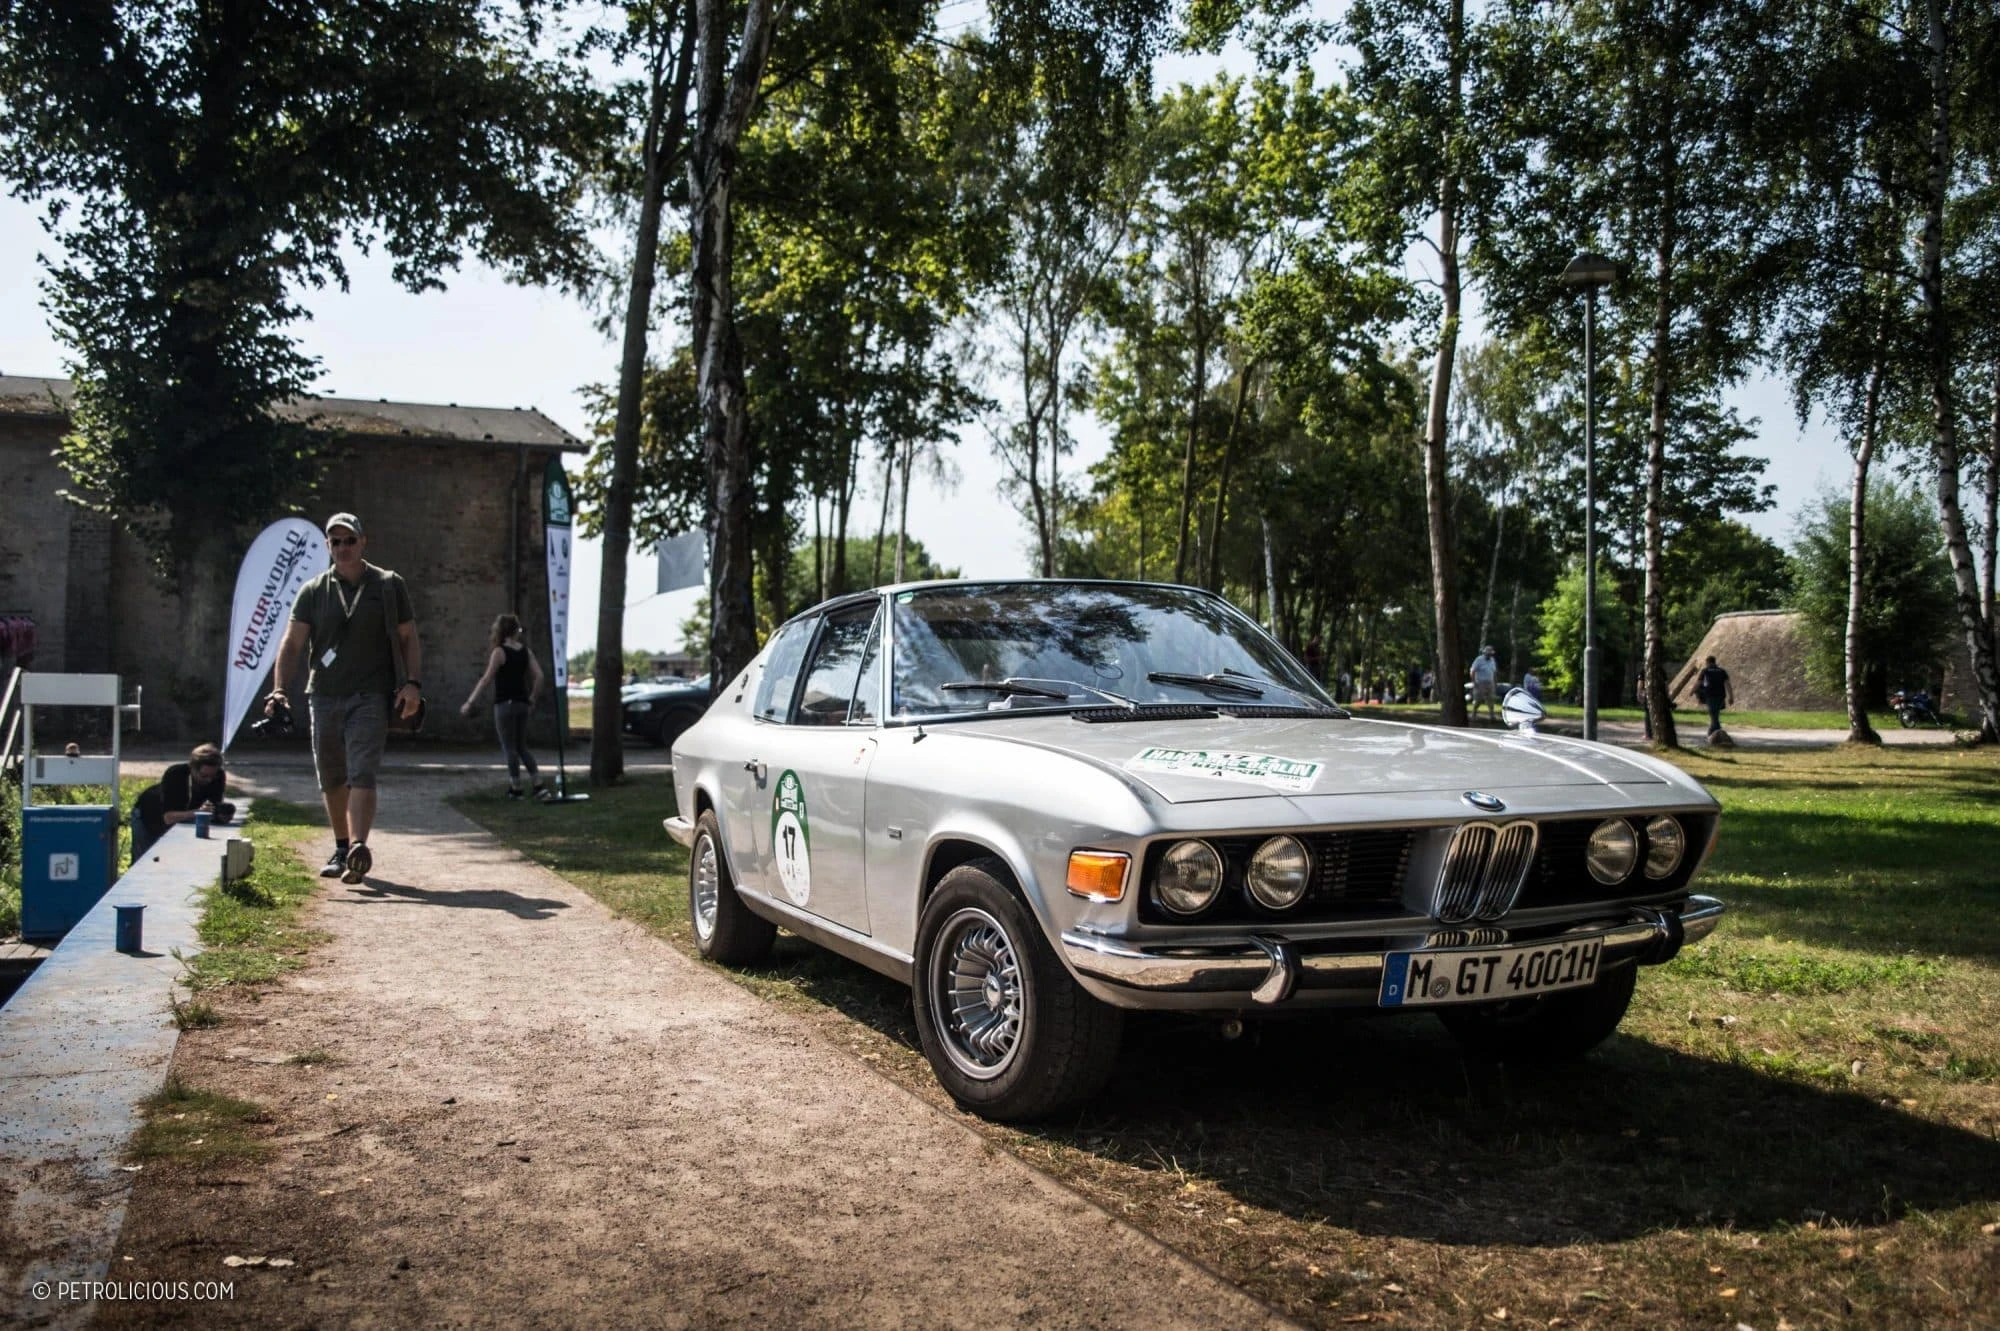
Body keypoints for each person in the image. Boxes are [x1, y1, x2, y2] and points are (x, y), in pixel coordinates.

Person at [266, 512, 422, 884]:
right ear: (327, 547)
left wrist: (413, 683)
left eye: (349, 540)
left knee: (362, 771)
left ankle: (358, 847)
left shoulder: (388, 584)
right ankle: (341, 847)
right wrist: (279, 689)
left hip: (370, 695)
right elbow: (292, 643)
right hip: (323, 696)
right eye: (335, 542)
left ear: (363, 542)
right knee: (332, 776)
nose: (343, 548)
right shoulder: (314, 590)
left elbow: (408, 637)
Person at [461, 613, 551, 801]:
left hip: (504, 705)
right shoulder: (526, 651)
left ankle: (516, 788)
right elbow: (539, 676)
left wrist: (470, 701)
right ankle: (538, 785)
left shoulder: (499, 652)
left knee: (509, 747)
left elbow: (486, 678)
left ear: (500, 630)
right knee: (522, 747)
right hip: (522, 704)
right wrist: (532, 698)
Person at [130, 743, 235, 859]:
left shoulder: (218, 776)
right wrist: (198, 812)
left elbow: (213, 808)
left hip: (182, 814)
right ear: (192, 768)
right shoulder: (175, 774)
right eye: (204, 776)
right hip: (149, 814)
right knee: (143, 859)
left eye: (213, 776)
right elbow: (168, 817)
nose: (209, 780)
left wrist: (221, 815)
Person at [1695, 654, 1734, 735]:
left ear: (1708, 662)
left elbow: (1699, 683)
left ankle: (1715, 733)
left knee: (1713, 714)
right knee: (1715, 714)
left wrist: (1692, 691)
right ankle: (1715, 733)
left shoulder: (1705, 671)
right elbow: (1727, 684)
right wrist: (1731, 696)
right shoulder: (1722, 671)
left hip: (1710, 695)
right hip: (1720, 695)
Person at [1469, 644, 1501, 722]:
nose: (1490, 654)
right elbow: (1472, 671)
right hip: (1480, 683)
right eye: (1488, 653)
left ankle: (1492, 716)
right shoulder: (1479, 660)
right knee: (1478, 700)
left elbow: (1494, 672)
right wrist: (1474, 682)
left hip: (1490, 683)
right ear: (1485, 653)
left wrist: (1495, 682)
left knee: (1491, 699)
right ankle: (1473, 714)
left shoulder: (1492, 660)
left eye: (1491, 653)